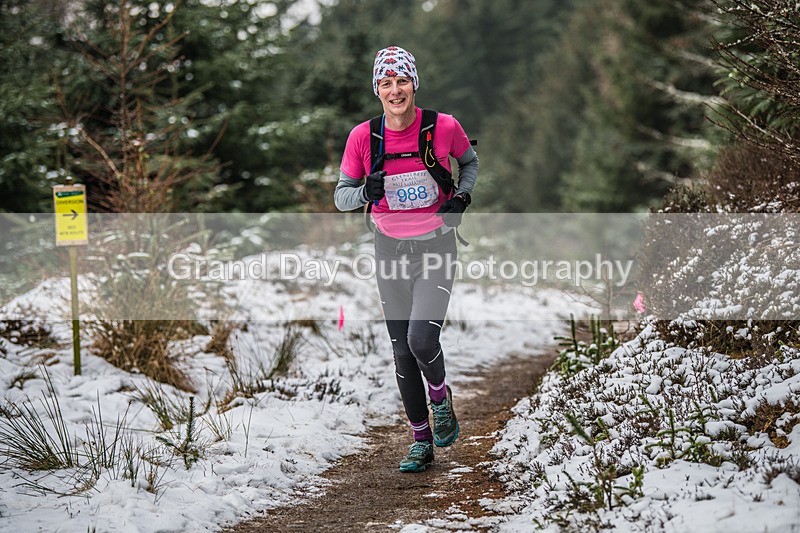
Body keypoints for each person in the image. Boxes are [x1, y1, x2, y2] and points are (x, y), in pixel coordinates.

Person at [334, 46, 479, 473]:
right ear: (376, 89)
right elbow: (342, 197)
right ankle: (420, 442)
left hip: (435, 247)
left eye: (402, 81)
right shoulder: (364, 137)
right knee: (401, 352)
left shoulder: (443, 127)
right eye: (386, 83)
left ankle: (440, 398)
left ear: (414, 84)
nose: (395, 90)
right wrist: (366, 192)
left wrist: (463, 198)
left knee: (420, 340)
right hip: (388, 253)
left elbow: (468, 163)